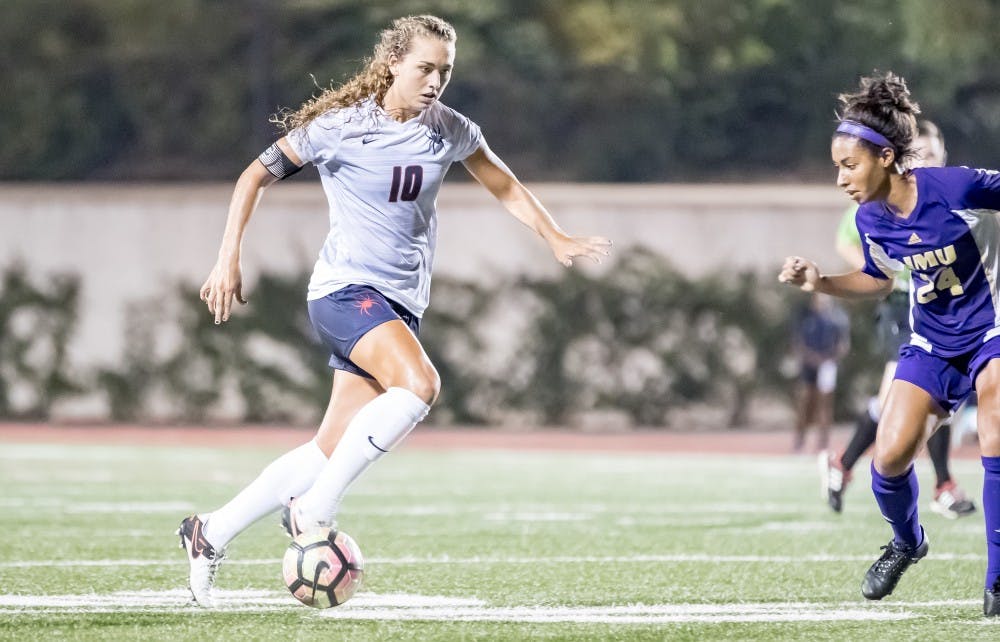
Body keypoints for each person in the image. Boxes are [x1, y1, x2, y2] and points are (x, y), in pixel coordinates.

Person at [176, 14, 612, 607]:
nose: (436, 82)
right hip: (344, 293)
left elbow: (505, 186)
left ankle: (210, 532)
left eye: (446, 71)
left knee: (326, 451)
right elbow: (254, 175)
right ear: (392, 65)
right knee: (421, 384)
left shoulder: (450, 129)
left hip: (398, 304)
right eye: (425, 68)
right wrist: (227, 257)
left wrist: (555, 236)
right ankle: (313, 511)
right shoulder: (338, 128)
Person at [779, 70, 1000, 617]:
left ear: (884, 157)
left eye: (847, 165)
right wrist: (821, 281)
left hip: (992, 332)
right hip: (931, 342)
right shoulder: (870, 217)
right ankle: (907, 542)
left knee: (995, 433)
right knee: (890, 458)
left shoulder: (955, 187)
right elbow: (878, 279)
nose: (840, 179)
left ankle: (997, 581)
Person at [820, 120, 976, 519]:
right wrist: (886, 274)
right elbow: (846, 239)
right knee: (905, 400)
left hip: (945, 310)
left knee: (928, 402)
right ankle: (937, 485)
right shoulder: (878, 204)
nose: (925, 158)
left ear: (943, 152)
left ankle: (845, 464)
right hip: (903, 307)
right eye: (918, 151)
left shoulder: (954, 194)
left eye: (932, 150)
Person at [791, 293, 850, 453]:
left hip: (827, 365)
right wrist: (811, 358)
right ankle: (799, 441)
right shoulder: (806, 318)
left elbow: (843, 345)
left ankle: (822, 444)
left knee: (825, 405)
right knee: (804, 402)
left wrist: (828, 359)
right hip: (808, 364)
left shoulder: (837, 319)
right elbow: (798, 342)